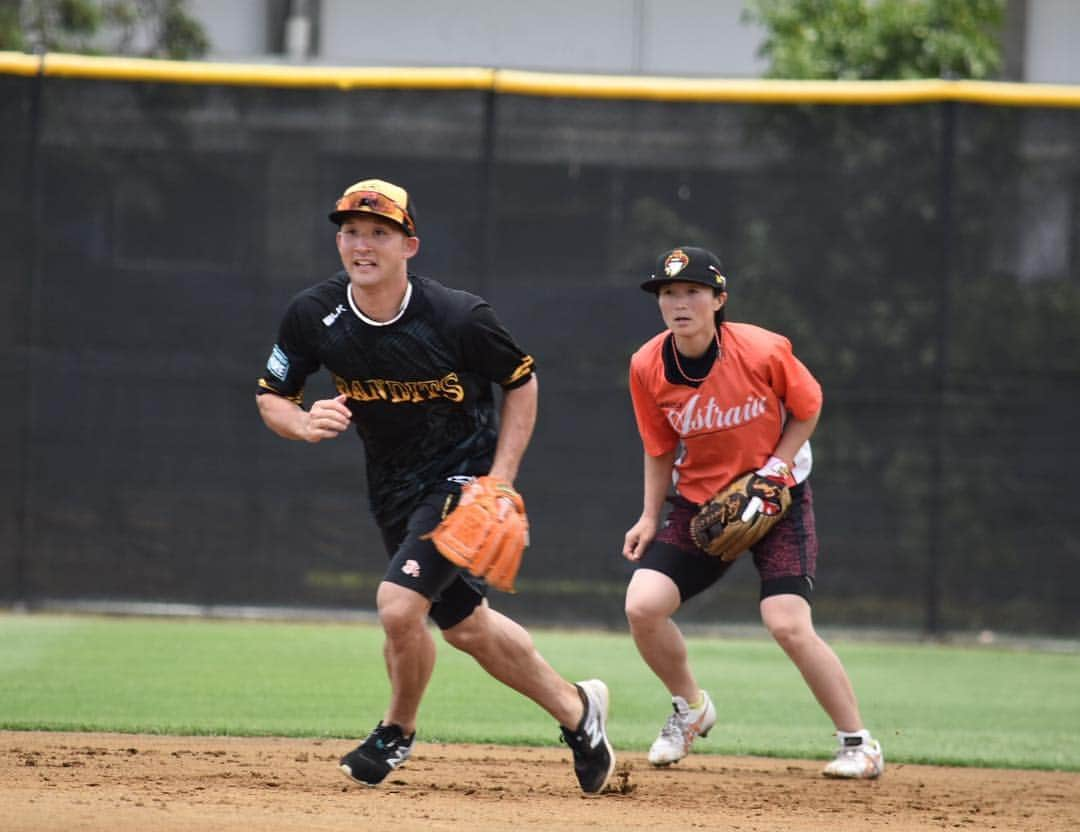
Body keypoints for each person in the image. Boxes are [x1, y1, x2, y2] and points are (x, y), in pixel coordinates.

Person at [255, 178, 614, 794]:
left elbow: (521, 381)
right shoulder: (315, 315)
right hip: (391, 488)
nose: (361, 245)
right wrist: (305, 422)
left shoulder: (457, 316)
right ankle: (580, 714)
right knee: (466, 627)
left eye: (378, 233)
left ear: (409, 245)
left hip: (463, 478)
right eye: (350, 232)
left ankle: (396, 731)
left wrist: (500, 479)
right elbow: (272, 397)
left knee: (398, 606)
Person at [621, 246, 884, 779]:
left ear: (719, 299)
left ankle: (859, 744)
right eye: (668, 293)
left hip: (777, 498)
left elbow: (808, 408)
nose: (679, 302)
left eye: (693, 291)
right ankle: (690, 707)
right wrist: (650, 516)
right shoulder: (648, 365)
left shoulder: (763, 350)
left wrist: (776, 469)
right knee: (643, 605)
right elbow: (658, 448)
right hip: (701, 505)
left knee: (786, 622)